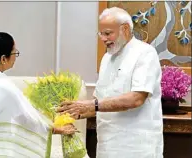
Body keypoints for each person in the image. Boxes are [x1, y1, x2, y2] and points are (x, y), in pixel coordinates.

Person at [57, 7, 164, 158]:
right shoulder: (107, 58)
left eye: (108, 33)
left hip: (136, 147)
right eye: (101, 33)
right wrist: (75, 112)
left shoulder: (145, 53)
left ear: (125, 29)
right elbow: (100, 101)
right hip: (106, 146)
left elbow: (136, 98)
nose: (103, 38)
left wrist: (89, 105)